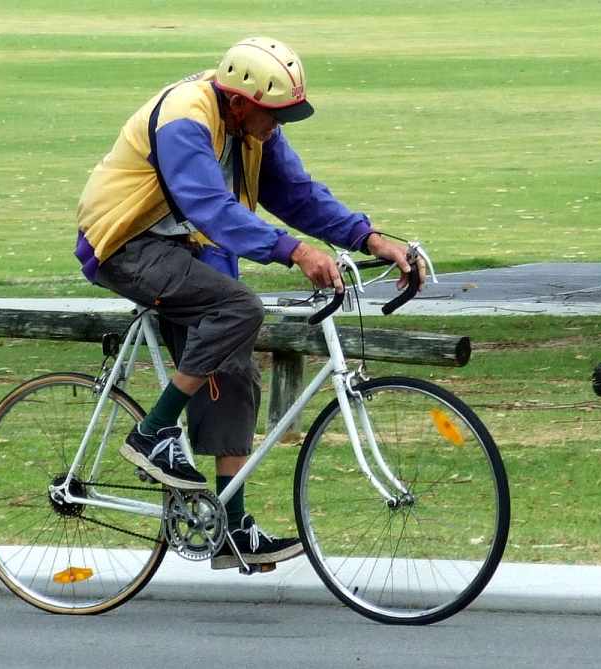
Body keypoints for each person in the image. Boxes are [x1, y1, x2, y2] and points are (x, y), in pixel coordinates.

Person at [75, 36, 419, 570]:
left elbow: (299, 195)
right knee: (238, 308)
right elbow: (209, 206)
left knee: (235, 359)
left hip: (192, 246)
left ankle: (230, 528)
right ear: (239, 104)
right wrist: (293, 251)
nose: (277, 126)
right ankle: (151, 434)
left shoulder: (254, 128)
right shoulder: (186, 118)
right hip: (126, 244)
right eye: (273, 115)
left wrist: (371, 239)